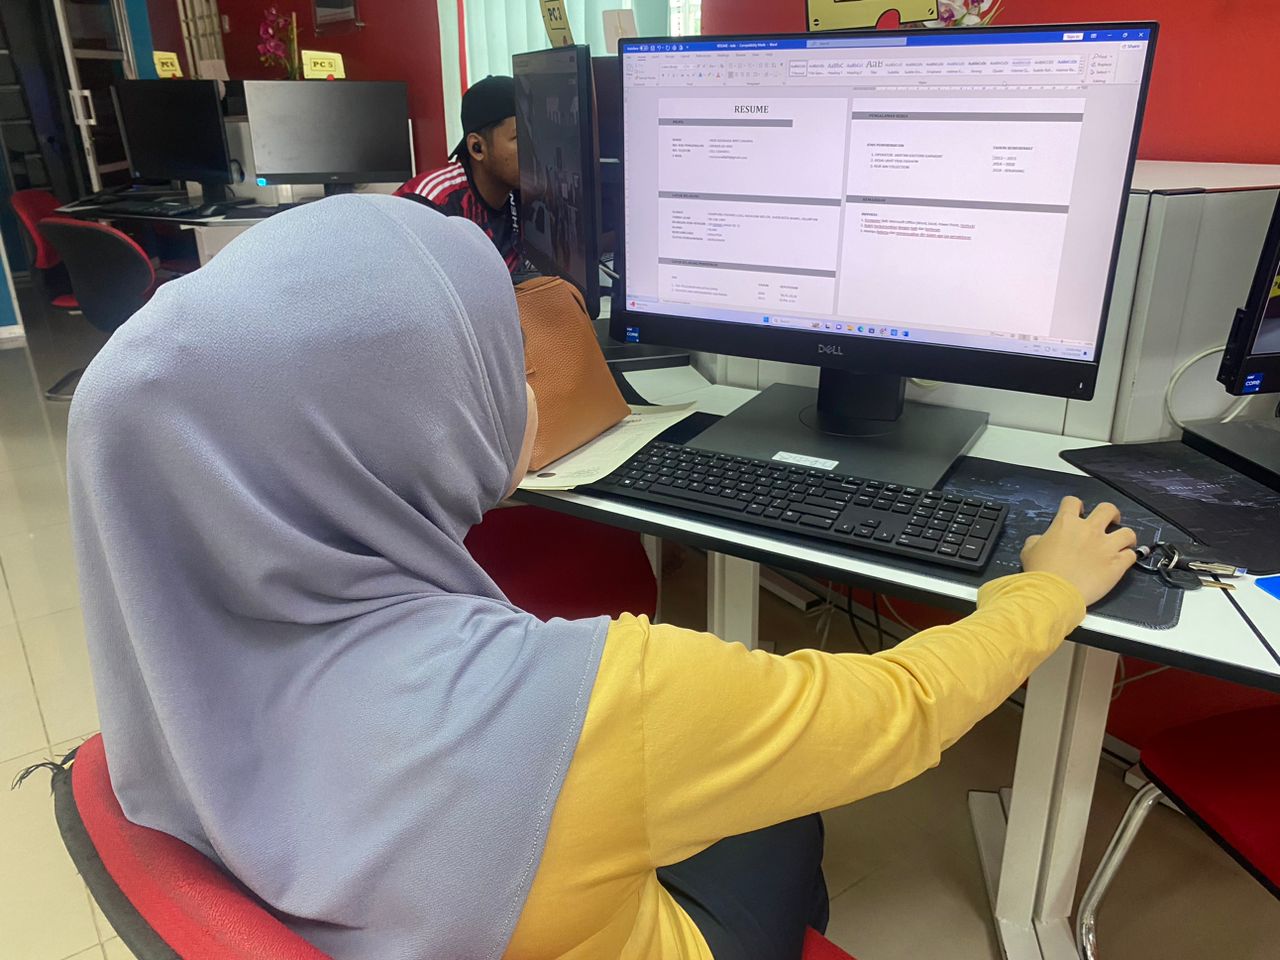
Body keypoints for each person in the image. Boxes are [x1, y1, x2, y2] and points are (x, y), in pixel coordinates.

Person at [67, 195, 1138, 960]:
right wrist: (1047, 587)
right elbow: (899, 709)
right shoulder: (595, 700)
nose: (524, 387)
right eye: (492, 361)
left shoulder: (169, 651)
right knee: (784, 818)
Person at [396, 75, 523, 274]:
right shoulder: (430, 205)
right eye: (520, 137)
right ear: (477, 147)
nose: (535, 149)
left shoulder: (525, 192)